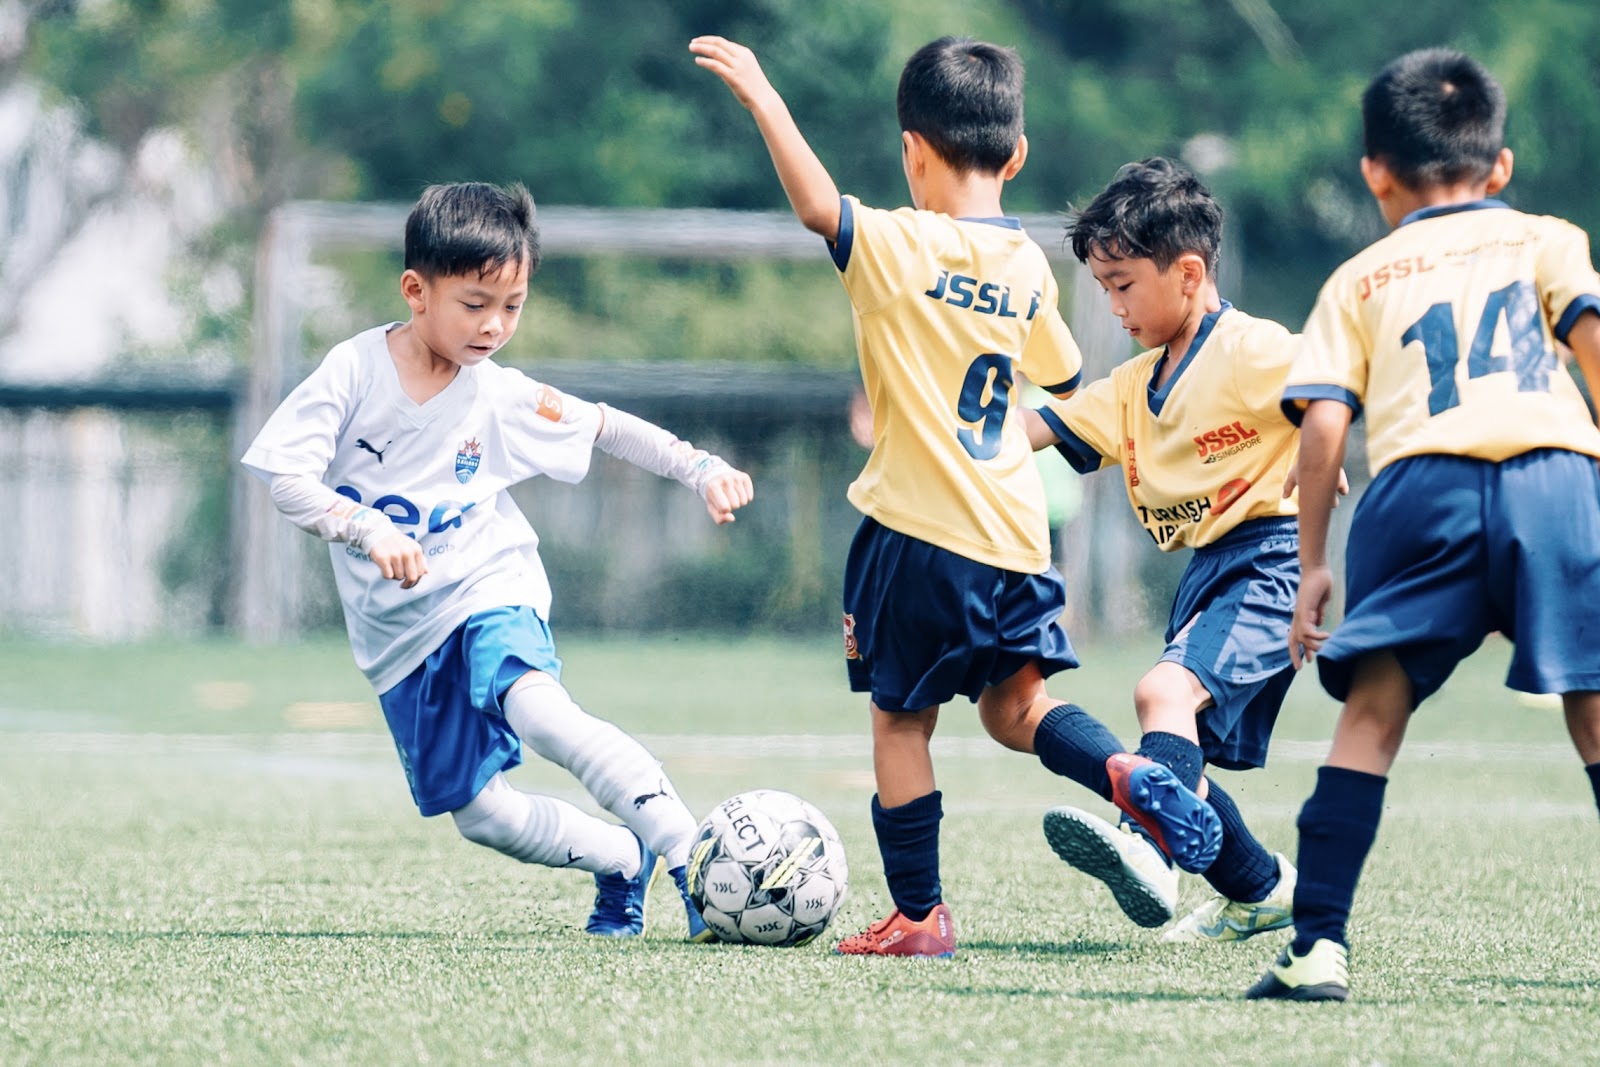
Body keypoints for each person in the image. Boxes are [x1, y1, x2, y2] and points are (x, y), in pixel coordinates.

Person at [691, 34, 1220, 958]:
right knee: (1015, 709)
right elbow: (1059, 375)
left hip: (916, 528)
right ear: (1016, 156)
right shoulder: (1025, 266)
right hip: (1014, 531)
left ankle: (920, 913)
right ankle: (1125, 768)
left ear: (911, 150)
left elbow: (819, 208)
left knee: (900, 720)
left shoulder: (896, 241)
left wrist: (765, 98)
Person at [241, 181, 755, 942]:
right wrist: (363, 526)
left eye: (512, 306)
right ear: (416, 290)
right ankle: (622, 855)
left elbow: (609, 426)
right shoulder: (352, 373)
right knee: (482, 815)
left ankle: (692, 863)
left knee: (540, 710)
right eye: (475, 303)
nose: (494, 326)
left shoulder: (500, 395)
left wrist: (699, 466)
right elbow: (284, 477)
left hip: (489, 587)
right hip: (398, 639)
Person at [1245, 48, 1600, 1002]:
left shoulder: (1357, 280)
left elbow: (1324, 426)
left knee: (1371, 716)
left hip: (1420, 491)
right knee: (1595, 706)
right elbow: (1595, 345)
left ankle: (1319, 948)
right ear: (1502, 167)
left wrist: (1315, 559)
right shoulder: (1546, 237)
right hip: (1557, 477)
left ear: (1374, 171)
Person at [1023, 157, 1311, 941]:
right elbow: (1030, 433)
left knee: (1162, 695)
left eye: (1122, 284)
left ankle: (1149, 853)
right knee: (1180, 769)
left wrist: (1329, 446)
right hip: (1209, 573)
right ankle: (1262, 888)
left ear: (1188, 273)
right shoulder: (1132, 383)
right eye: (1103, 287)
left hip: (1270, 561)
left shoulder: (1252, 350)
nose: (1112, 305)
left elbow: (1337, 389)